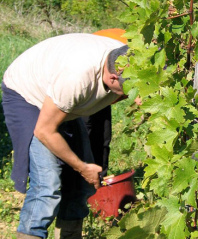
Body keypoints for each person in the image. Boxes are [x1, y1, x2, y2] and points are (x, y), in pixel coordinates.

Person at [1, 33, 128, 238]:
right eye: (129, 89)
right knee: (47, 184)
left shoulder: (127, 57)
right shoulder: (77, 78)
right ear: (113, 77)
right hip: (28, 95)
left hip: (59, 94)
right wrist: (82, 166)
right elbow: (45, 131)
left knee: (80, 184)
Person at [82, 29, 128, 176]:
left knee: (102, 133)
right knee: (84, 132)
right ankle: (79, 180)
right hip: (90, 81)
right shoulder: (127, 50)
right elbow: (120, 87)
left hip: (106, 80)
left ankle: (99, 178)